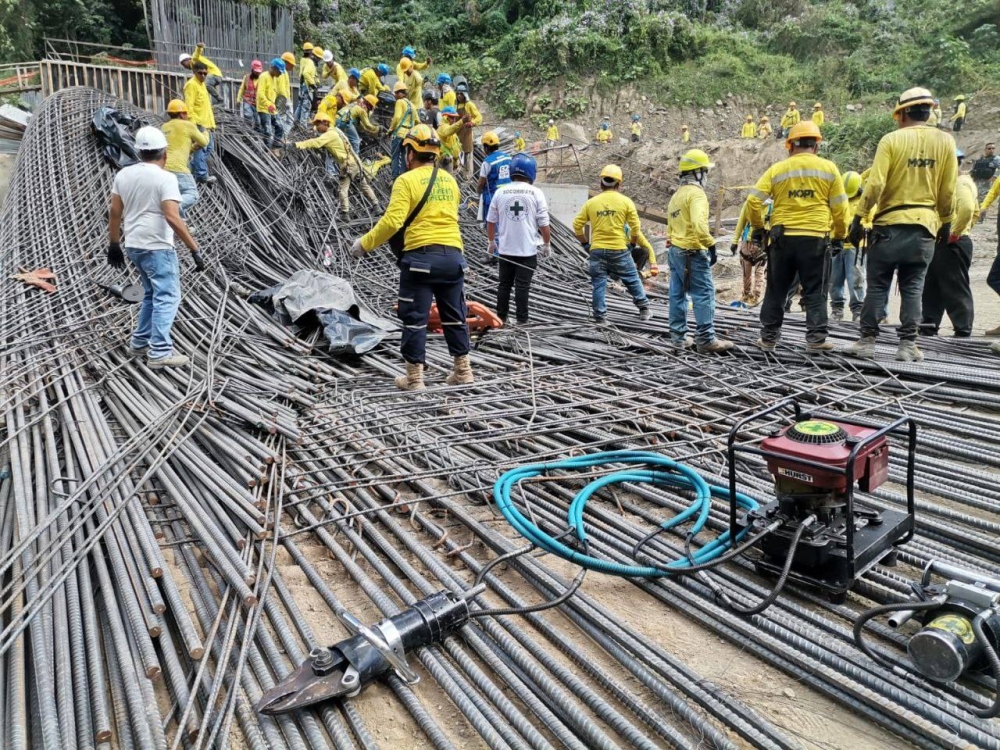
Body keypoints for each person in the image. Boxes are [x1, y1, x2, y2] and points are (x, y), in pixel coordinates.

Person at [349, 124, 470, 391]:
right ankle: (463, 370)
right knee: (454, 315)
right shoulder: (450, 180)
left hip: (421, 260)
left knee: (415, 318)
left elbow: (393, 221)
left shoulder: (405, 181)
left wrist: (364, 244)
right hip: (453, 257)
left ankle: (415, 379)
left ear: (410, 152)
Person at [845, 87, 957, 362]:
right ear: (928, 111)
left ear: (903, 112)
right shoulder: (945, 142)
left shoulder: (891, 140)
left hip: (889, 227)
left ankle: (867, 341)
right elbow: (948, 190)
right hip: (924, 229)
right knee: (913, 288)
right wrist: (946, 223)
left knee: (878, 286)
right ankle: (908, 345)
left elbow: (876, 184)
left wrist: (859, 217)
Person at [748, 120, 848, 353]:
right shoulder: (829, 169)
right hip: (815, 239)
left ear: (790, 145)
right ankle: (816, 340)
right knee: (815, 290)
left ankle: (768, 338)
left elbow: (753, 201)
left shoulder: (777, 170)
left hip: (782, 239)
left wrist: (758, 229)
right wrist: (839, 236)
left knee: (777, 289)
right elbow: (841, 210)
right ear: (816, 146)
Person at [108, 126, 202, 368]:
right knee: (167, 297)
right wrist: (194, 248)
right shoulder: (166, 178)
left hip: (134, 245)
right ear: (165, 154)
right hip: (157, 247)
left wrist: (114, 244)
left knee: (151, 294)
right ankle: (159, 352)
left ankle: (139, 343)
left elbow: (115, 212)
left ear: (139, 152)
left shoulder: (123, 175)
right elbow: (172, 216)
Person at [665, 150, 733, 353]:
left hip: (676, 252)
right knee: (703, 294)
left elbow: (670, 229)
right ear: (697, 173)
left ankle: (678, 338)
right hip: (692, 252)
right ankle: (705, 339)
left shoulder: (676, 196)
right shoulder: (696, 194)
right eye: (705, 172)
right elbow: (698, 224)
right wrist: (710, 244)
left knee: (677, 295)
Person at [572, 164, 652, 323]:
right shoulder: (626, 202)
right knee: (631, 277)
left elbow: (577, 225)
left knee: (599, 283)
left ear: (601, 183)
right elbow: (636, 228)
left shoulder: (592, 203)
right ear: (619, 184)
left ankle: (600, 317)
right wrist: (632, 245)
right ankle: (644, 309)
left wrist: (586, 244)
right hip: (619, 249)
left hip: (597, 250)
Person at [919, 149, 978, 337]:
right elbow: (975, 213)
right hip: (943, 241)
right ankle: (929, 324)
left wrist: (956, 232)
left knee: (954, 286)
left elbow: (968, 209)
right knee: (932, 285)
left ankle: (963, 329)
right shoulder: (958, 182)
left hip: (952, 243)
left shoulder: (960, 183)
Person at [488, 153, 550, 326]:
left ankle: (501, 318)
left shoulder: (500, 192)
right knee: (522, 287)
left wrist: (492, 241)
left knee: (504, 285)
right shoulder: (536, 193)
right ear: (531, 172)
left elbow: (491, 220)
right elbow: (544, 223)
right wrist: (547, 244)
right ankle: (522, 320)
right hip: (527, 250)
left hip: (505, 250)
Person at [295, 113, 377, 212]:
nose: (316, 127)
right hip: (356, 162)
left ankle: (345, 213)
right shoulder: (337, 131)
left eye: (317, 125)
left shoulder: (330, 134)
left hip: (348, 165)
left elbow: (315, 143)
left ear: (325, 123)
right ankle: (377, 206)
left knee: (342, 189)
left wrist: (297, 145)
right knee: (364, 186)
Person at [160, 99, 209, 219]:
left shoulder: (164, 127)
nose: (187, 116)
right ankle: (170, 210)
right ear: (181, 114)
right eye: (186, 113)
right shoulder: (188, 125)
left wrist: (192, 148)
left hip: (163, 169)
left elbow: (176, 147)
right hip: (178, 168)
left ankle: (181, 223)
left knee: (174, 196)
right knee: (192, 194)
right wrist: (207, 132)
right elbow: (204, 142)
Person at [828, 171, 866, 322]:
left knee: (856, 279)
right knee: (834, 278)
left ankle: (857, 310)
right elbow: (829, 218)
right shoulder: (836, 199)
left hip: (855, 247)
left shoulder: (865, 202)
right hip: (836, 245)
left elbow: (872, 220)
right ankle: (837, 309)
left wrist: (859, 227)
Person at [183, 62, 216, 184]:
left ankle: (192, 168)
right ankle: (202, 175)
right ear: (194, 72)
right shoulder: (191, 85)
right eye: (200, 73)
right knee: (200, 149)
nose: (203, 75)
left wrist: (212, 124)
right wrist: (194, 125)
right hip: (198, 124)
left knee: (209, 148)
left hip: (207, 124)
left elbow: (206, 107)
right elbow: (189, 107)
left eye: (205, 73)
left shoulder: (202, 85)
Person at [731, 198, 767, 305]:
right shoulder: (772, 205)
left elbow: (741, 221)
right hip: (759, 242)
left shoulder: (750, 203)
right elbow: (742, 221)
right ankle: (752, 296)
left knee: (753, 272)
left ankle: (750, 295)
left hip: (755, 243)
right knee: (757, 272)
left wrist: (735, 241)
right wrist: (735, 241)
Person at [477, 131, 511, 223]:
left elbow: (481, 183)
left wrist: (478, 193)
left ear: (486, 147)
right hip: (509, 197)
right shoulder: (508, 158)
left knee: (492, 226)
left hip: (492, 198)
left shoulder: (487, 162)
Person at [388, 81, 417, 179]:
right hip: (409, 136)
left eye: (396, 93)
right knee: (404, 157)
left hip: (399, 134)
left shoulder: (399, 102)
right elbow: (417, 121)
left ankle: (395, 177)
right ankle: (403, 176)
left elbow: (396, 117)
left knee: (395, 156)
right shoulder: (412, 105)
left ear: (399, 93)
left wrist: (390, 130)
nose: (395, 96)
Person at [255, 59, 286, 149]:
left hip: (272, 108)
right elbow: (260, 93)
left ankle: (275, 145)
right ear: (274, 68)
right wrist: (268, 104)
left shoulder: (274, 78)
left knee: (280, 127)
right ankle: (266, 149)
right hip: (264, 109)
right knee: (267, 131)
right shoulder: (264, 76)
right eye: (279, 71)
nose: (280, 74)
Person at [455, 84, 483, 179]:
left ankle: (467, 176)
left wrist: (472, 123)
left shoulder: (469, 105)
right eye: (457, 93)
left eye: (461, 94)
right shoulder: (456, 105)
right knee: (457, 153)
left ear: (465, 94)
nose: (459, 96)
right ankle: (457, 174)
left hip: (467, 133)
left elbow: (479, 117)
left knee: (468, 154)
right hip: (457, 132)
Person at [294, 47, 318, 127]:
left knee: (300, 105)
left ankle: (295, 123)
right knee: (305, 107)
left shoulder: (302, 60)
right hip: (307, 87)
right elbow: (306, 73)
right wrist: (313, 83)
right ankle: (303, 127)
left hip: (302, 85)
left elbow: (304, 73)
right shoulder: (310, 62)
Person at [436, 106, 464, 172]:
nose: (454, 120)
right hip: (446, 161)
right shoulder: (443, 127)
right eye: (451, 117)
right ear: (445, 117)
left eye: (454, 117)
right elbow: (448, 131)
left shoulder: (449, 126)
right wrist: (461, 121)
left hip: (452, 160)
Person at [278, 53, 296, 133]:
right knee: (285, 120)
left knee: (286, 120)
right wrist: (285, 101)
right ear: (286, 62)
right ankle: (282, 137)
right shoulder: (282, 72)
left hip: (284, 99)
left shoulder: (283, 72)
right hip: (283, 99)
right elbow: (281, 88)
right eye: (291, 65)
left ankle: (282, 137)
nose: (292, 67)